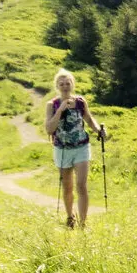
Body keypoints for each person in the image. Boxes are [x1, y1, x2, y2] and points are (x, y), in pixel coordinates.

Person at [44, 68, 106, 229]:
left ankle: (83, 223)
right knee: (67, 186)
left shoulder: (80, 102)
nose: (65, 86)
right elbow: (49, 129)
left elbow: (89, 119)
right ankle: (70, 217)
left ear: (72, 84)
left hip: (81, 147)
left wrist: (99, 130)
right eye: (61, 83)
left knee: (81, 185)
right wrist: (61, 109)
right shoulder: (52, 105)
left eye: (68, 83)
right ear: (57, 86)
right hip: (62, 149)